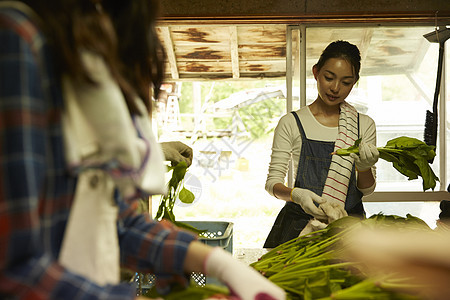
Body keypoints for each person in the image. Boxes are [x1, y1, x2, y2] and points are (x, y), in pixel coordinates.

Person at [0, 1, 285, 299]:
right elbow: (12, 268)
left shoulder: (75, 61)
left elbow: (116, 224)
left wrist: (215, 262)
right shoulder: (18, 42)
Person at [264, 40, 379, 248]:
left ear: (355, 82)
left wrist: (363, 167)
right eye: (329, 77)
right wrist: (296, 195)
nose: (335, 88)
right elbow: (272, 184)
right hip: (299, 227)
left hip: (348, 229)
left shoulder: (363, 125)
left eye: (346, 82)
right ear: (316, 72)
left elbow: (367, 189)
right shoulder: (291, 123)